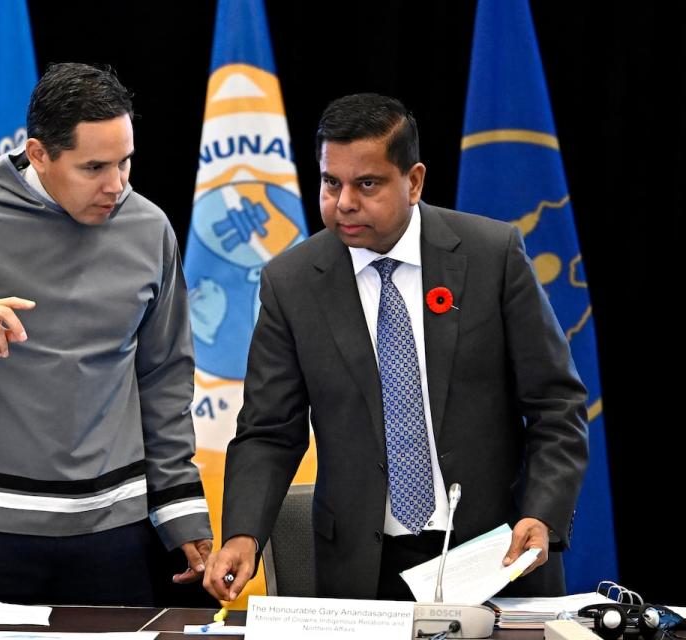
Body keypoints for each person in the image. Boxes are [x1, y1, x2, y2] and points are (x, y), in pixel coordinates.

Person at [204, 93, 588, 601]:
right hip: (365, 568)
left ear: (413, 181)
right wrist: (243, 532)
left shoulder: (491, 256)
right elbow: (269, 432)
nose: (344, 203)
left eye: (366, 184)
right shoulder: (292, 282)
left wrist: (542, 512)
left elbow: (557, 406)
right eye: (330, 182)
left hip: (496, 554)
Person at [0, 63, 213, 606]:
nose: (115, 185)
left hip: (111, 531)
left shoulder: (149, 228)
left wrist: (180, 509)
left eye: (125, 162)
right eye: (94, 167)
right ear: (40, 153)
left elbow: (164, 376)